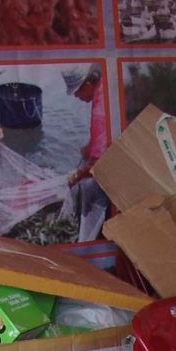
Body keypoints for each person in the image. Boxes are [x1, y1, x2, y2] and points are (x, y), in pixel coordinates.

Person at [64, 64, 110, 241]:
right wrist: (90, 147)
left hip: (117, 169)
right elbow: (104, 137)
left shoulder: (99, 110)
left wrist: (77, 175)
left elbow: (97, 162)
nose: (77, 96)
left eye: (77, 92)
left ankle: (92, 236)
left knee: (89, 188)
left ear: (88, 84)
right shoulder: (103, 87)